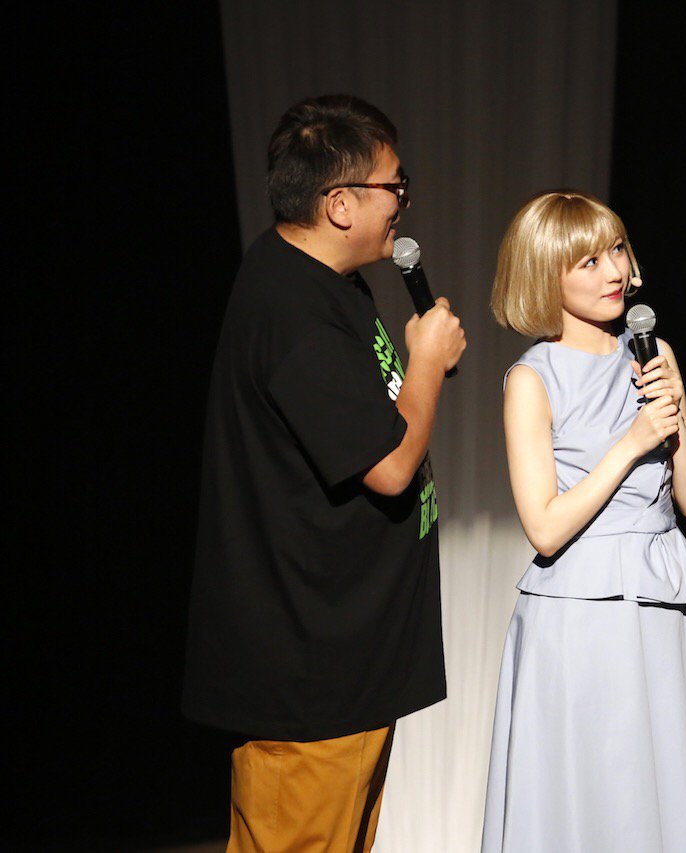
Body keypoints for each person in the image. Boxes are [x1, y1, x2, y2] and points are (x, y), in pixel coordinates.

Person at [182, 94, 466, 852]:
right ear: (340, 204)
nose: (403, 202)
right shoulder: (291, 310)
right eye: (394, 186)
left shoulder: (328, 285)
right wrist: (426, 363)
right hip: (308, 680)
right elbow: (390, 466)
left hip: (347, 667)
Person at [482, 190, 686, 852]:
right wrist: (632, 443)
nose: (614, 271)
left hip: (665, 599)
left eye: (616, 250)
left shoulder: (652, 352)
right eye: (588, 261)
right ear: (545, 274)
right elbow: (544, 528)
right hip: (581, 614)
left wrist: (676, 411)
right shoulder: (531, 380)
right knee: (598, 793)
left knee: (675, 792)